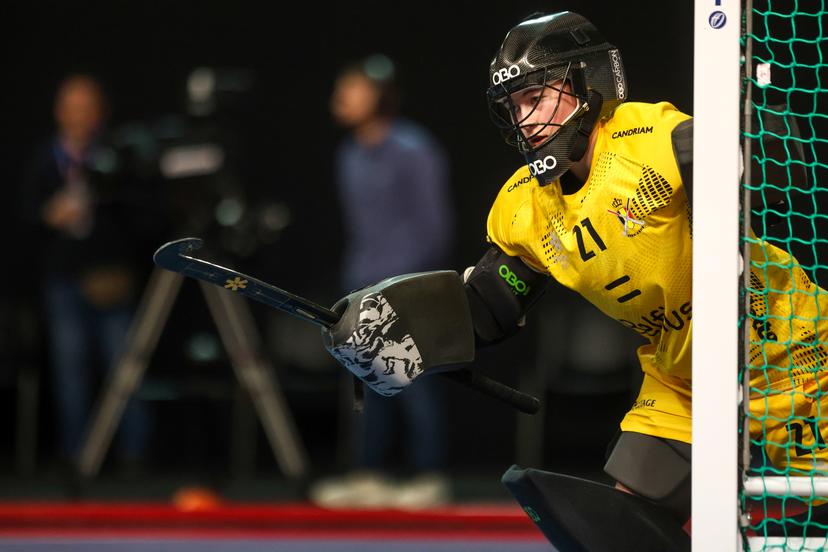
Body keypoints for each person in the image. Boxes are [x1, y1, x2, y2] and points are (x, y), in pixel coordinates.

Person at [319, 11, 828, 549]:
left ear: (588, 84)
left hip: (795, 353)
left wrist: (743, 145)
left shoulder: (652, 138)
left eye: (536, 94)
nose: (525, 118)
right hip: (686, 379)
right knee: (624, 534)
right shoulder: (525, 206)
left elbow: (772, 168)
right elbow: (491, 304)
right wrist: (401, 328)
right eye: (514, 105)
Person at [309, 54, 456, 509]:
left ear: (378, 94)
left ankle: (431, 476)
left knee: (415, 383)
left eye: (351, 88)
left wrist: (401, 283)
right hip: (361, 288)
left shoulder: (414, 148)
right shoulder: (349, 154)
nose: (341, 97)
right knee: (365, 387)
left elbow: (435, 225)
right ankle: (368, 473)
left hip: (405, 288)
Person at [20, 74, 152, 472]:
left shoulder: (117, 157)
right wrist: (48, 215)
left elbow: (142, 216)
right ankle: (77, 457)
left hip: (111, 278)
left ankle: (134, 455)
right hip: (63, 281)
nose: (79, 117)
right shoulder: (45, 159)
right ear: (59, 113)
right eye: (72, 108)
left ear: (100, 114)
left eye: (87, 109)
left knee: (125, 367)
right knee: (69, 370)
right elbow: (24, 216)